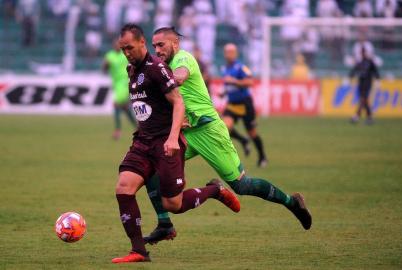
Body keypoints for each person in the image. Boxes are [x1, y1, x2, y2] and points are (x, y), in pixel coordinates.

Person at [143, 27, 312, 244]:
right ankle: (164, 224)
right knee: (149, 166)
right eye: (154, 46)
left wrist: (155, 84)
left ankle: (292, 202)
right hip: (185, 134)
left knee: (242, 186)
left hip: (209, 131)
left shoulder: (183, 59)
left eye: (161, 45)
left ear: (175, 44)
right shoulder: (160, 67)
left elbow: (180, 77)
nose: (157, 50)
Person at [112, 24, 240, 264]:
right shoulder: (132, 70)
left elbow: (178, 102)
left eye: (129, 47)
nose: (126, 52)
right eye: (122, 49)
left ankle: (215, 191)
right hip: (143, 142)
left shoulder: (157, 69)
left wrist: (172, 138)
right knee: (123, 188)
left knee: (174, 203)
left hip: (165, 143)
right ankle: (139, 251)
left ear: (141, 43)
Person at [222, 43, 267, 167]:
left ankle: (262, 156)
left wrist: (234, 81)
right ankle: (243, 140)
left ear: (235, 53)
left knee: (252, 132)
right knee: (224, 127)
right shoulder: (225, 68)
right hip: (232, 104)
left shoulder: (241, 67)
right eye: (227, 52)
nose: (229, 54)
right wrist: (224, 92)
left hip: (245, 104)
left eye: (231, 52)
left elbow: (250, 82)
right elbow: (230, 86)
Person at [103, 39, 136, 140]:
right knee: (124, 107)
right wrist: (106, 65)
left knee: (116, 103)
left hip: (126, 82)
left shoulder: (126, 54)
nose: (117, 46)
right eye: (116, 44)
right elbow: (104, 69)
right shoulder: (109, 56)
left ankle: (117, 131)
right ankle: (138, 127)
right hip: (116, 84)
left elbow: (135, 63)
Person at [349, 48, 380, 125]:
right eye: (361, 52)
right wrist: (350, 76)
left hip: (368, 82)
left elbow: (375, 71)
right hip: (361, 83)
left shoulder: (370, 62)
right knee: (364, 100)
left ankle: (357, 115)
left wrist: (377, 80)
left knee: (364, 98)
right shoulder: (360, 62)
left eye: (363, 52)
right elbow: (354, 71)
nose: (362, 54)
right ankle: (369, 117)